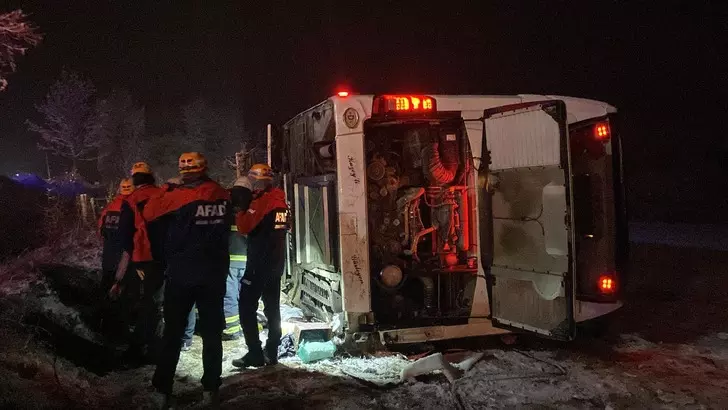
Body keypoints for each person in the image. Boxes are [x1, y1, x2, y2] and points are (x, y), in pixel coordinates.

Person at [143, 152, 230, 407]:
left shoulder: (176, 197)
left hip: (182, 275)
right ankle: (211, 388)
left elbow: (148, 213)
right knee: (212, 334)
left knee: (172, 334)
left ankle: (162, 389)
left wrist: (166, 188)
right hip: (213, 275)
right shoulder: (221, 194)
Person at [231, 164, 289, 368]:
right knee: (273, 308)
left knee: (246, 306)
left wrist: (239, 210)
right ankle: (272, 351)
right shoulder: (280, 199)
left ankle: (255, 352)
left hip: (259, 264)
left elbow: (244, 227)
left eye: (253, 180)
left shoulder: (263, 202)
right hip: (276, 263)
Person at [110, 162, 166, 363]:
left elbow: (124, 234)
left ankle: (141, 348)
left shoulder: (132, 200)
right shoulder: (163, 195)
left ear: (134, 179)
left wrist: (131, 257)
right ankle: (154, 343)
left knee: (147, 302)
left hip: (143, 258)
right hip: (166, 257)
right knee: (158, 301)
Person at [97, 178, 134, 337]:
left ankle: (103, 325)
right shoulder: (133, 207)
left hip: (109, 257)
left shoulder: (110, 207)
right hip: (125, 259)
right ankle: (120, 331)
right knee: (124, 295)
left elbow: (100, 230)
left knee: (106, 290)